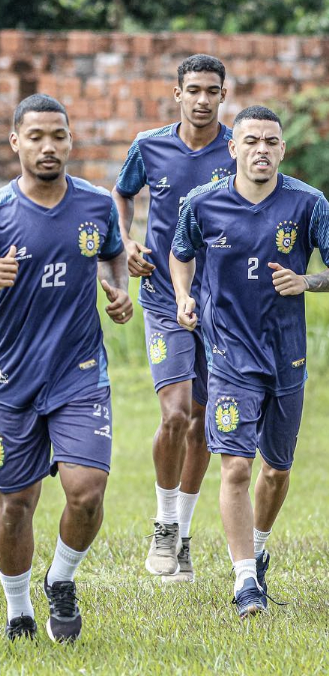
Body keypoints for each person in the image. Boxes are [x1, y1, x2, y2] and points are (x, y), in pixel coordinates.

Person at [0, 94, 132, 642]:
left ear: (70, 141)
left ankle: (61, 579)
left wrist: (118, 288)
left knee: (87, 491)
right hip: (12, 381)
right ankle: (18, 608)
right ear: (15, 142)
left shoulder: (94, 205)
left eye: (59, 136)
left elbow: (114, 252)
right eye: (37, 136)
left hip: (79, 373)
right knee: (16, 505)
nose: (49, 147)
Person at [170, 105, 329, 618]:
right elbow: (180, 252)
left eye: (271, 142)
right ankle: (244, 582)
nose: (262, 149)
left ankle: (258, 550)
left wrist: (306, 282)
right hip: (228, 355)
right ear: (233, 148)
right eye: (252, 141)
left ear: (283, 149)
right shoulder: (203, 203)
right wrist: (183, 295)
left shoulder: (309, 204)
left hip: (288, 357)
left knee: (277, 472)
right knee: (235, 465)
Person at [113, 54, 234, 582]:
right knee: (176, 414)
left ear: (222, 95)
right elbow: (121, 194)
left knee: (205, 424)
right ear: (177, 93)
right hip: (164, 298)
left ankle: (182, 535)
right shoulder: (149, 146)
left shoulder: (237, 148)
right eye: (194, 90)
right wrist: (126, 239)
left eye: (212, 90)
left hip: (223, 306)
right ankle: (163, 524)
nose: (202, 99)